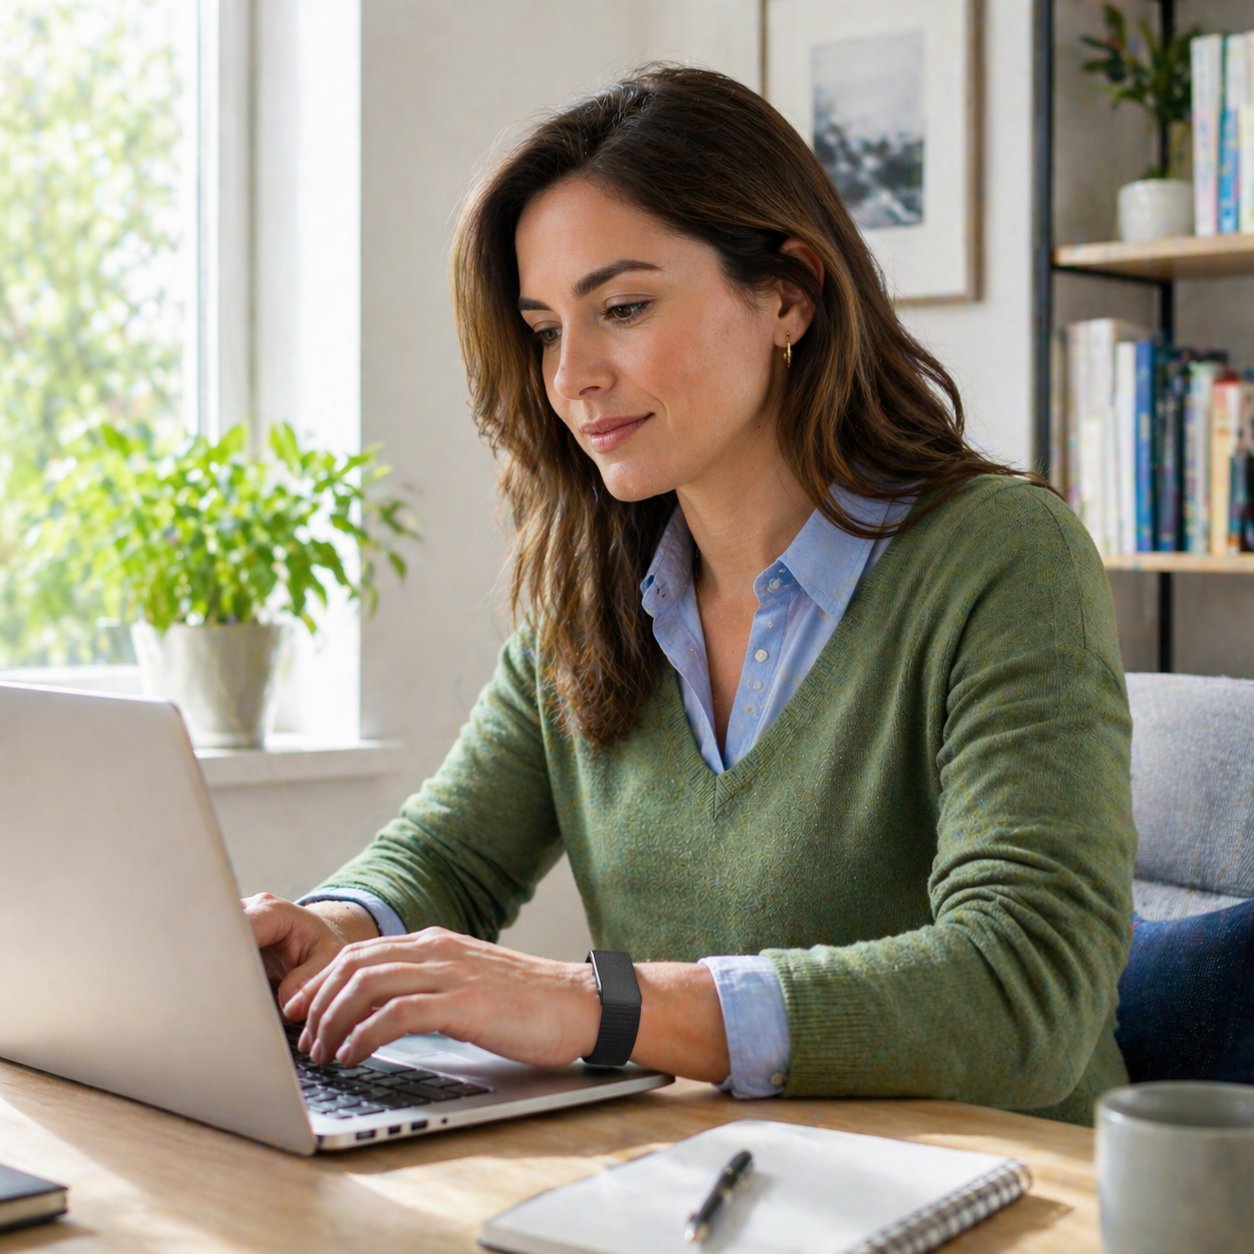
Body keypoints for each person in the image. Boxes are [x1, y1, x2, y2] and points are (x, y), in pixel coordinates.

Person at [246, 64, 1136, 1125]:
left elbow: (1024, 994)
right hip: (714, 1185)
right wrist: (338, 927)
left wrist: (596, 1006)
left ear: (788, 295)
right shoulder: (590, 587)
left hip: (1009, 1193)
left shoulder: (1003, 557)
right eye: (543, 330)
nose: (572, 375)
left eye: (621, 307)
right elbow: (451, 852)